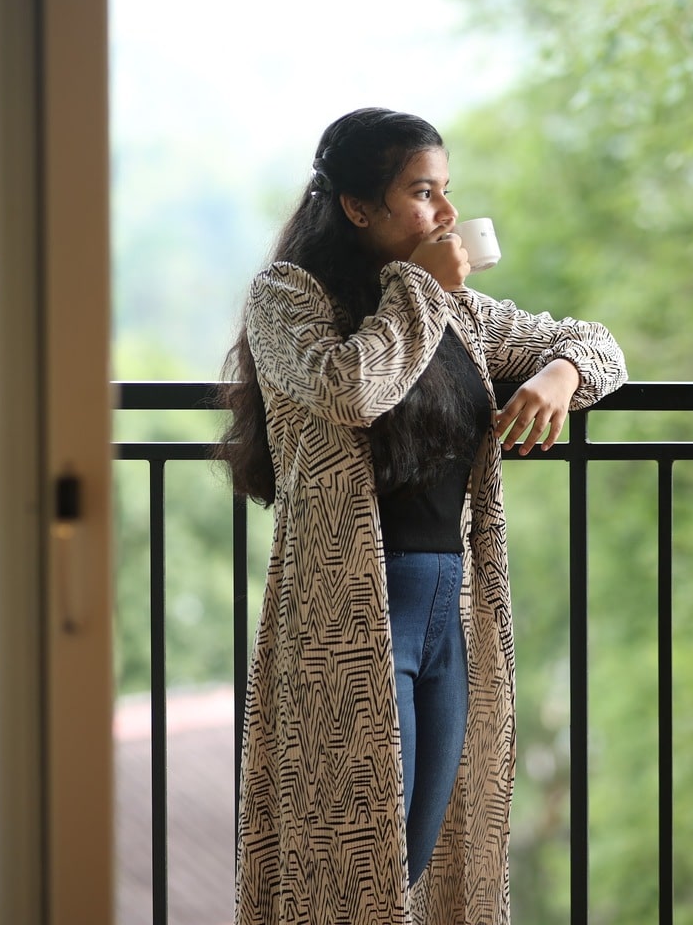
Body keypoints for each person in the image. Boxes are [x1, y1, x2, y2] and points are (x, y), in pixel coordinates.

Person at [219, 107, 626, 924]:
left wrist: (558, 378)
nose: (445, 214)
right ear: (358, 208)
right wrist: (420, 287)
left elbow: (598, 342)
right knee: (355, 861)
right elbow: (350, 387)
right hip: (349, 613)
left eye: (448, 192)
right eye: (423, 192)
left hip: (454, 611)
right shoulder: (289, 297)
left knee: (423, 847)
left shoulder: (462, 314)